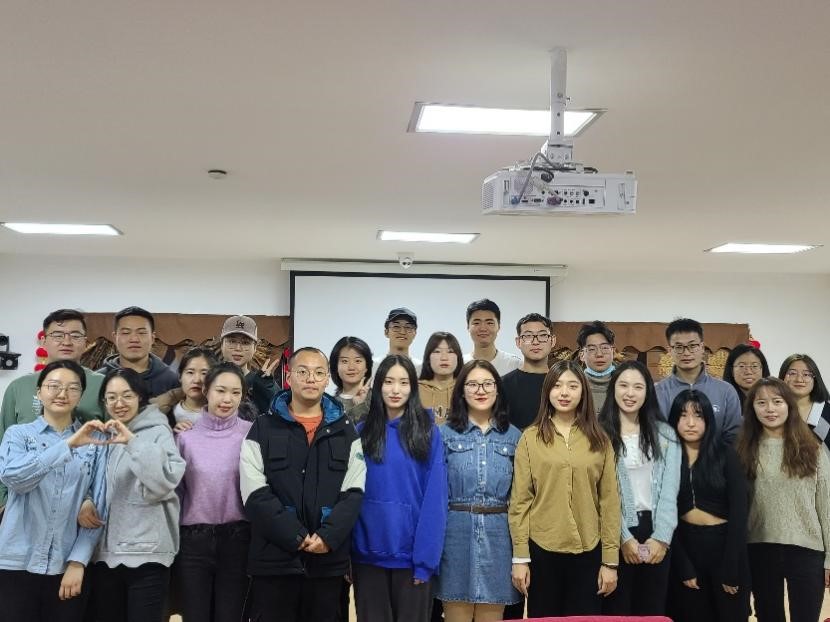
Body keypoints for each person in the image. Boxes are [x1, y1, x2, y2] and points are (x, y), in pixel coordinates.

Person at [241, 347, 366, 622]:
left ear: (327, 379)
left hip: (327, 563)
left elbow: (354, 492)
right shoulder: (263, 427)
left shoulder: (345, 431)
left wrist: (328, 537)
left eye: (319, 373)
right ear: (289, 377)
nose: (311, 378)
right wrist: (294, 535)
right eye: (303, 371)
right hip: (274, 561)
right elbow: (254, 492)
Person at [509, 360, 620, 617]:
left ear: (583, 392)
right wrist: (520, 558)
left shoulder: (600, 439)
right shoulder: (530, 438)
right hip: (542, 549)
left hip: (589, 551)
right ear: (547, 391)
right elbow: (520, 502)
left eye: (572, 386)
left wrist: (610, 562)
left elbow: (610, 501)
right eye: (557, 386)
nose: (564, 392)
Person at [0, 360, 108, 621]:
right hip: (16, 561)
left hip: (67, 563)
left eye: (73, 388)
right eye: (54, 386)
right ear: (39, 392)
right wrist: (67, 445)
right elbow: (14, 478)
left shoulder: (96, 440)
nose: (62, 393)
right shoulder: (18, 434)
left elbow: (100, 505)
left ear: (81, 395)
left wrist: (78, 561)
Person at [352, 355, 448, 622]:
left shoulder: (428, 433)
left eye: (404, 383)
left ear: (413, 388)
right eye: (388, 381)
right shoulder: (361, 432)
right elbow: (349, 497)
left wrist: (425, 562)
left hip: (411, 559)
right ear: (378, 386)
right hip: (367, 557)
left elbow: (435, 500)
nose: (396, 390)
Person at [88, 369, 185, 622]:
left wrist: (131, 441)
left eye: (127, 395)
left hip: (147, 555)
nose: (119, 403)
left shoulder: (158, 431)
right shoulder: (103, 435)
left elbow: (164, 481)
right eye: (111, 397)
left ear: (140, 397)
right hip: (104, 556)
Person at [737, 377, 830, 622]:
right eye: (761, 403)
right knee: (768, 616)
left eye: (777, 401)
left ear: (789, 405)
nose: (770, 409)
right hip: (759, 547)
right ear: (752, 408)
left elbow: (827, 506)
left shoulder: (813, 448)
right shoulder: (743, 450)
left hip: (807, 551)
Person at [437, 360, 521, 622]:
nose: (480, 390)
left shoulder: (514, 437)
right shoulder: (444, 434)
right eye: (472, 384)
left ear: (497, 390)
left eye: (487, 384)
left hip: (499, 536)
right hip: (455, 534)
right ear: (462, 391)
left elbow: (521, 498)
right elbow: (434, 496)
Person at [1, 309, 105, 509]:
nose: (66, 341)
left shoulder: (103, 384)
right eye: (58, 335)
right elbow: (2, 442)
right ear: (43, 341)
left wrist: (92, 500)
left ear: (86, 342)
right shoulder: (19, 387)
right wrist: (3, 499)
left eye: (75, 335)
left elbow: (111, 446)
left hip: (80, 502)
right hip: (24, 500)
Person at [599, 361, 681, 616]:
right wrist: (623, 538)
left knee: (652, 610)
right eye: (623, 385)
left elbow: (670, 490)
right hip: (614, 531)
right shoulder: (599, 435)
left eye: (638, 387)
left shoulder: (665, 434)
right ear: (613, 389)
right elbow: (600, 495)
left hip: (656, 530)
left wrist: (662, 538)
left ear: (648, 392)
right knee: (616, 610)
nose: (630, 393)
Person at [175, 363, 253, 622]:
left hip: (238, 538)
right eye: (220, 390)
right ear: (206, 391)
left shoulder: (252, 434)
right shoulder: (186, 437)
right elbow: (177, 492)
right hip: (193, 541)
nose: (227, 399)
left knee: (231, 615)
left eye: (235, 392)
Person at [666, 390, 749, 622]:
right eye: (683, 415)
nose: (690, 423)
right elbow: (665, 514)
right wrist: (683, 564)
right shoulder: (668, 457)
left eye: (698, 415)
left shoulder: (726, 454)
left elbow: (740, 512)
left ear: (708, 420)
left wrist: (731, 565)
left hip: (725, 546)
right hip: (686, 545)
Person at [499, 312, 554, 621]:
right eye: (528, 336)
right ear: (518, 342)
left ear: (552, 341)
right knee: (514, 587)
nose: (535, 341)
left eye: (542, 335)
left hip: (554, 493)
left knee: (546, 592)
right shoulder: (504, 386)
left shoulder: (562, 384)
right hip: (514, 494)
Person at [654, 318, 742, 444]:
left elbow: (733, 438)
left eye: (692, 346)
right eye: (679, 347)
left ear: (702, 347)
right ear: (670, 350)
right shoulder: (657, 392)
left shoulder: (726, 391)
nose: (686, 353)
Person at [97, 306, 179, 398]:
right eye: (126, 333)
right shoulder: (98, 379)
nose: (134, 339)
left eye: (142, 333)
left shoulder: (172, 380)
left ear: (152, 338)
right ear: (114, 338)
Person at [218, 314, 279, 415]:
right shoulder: (210, 378)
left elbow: (283, 411)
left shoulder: (262, 382)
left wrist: (270, 388)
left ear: (255, 348)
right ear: (221, 344)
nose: (238, 348)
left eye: (245, 343)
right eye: (232, 341)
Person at [779, 353, 830, 453]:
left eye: (806, 374)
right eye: (792, 373)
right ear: (782, 377)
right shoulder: (775, 411)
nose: (799, 379)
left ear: (815, 379)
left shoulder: (827, 412)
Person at [464, 300, 521, 377]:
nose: (483, 328)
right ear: (468, 327)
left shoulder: (514, 364)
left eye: (489, 323)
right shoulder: (459, 365)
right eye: (476, 323)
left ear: (499, 326)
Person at [418, 331, 464, 426]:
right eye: (437, 351)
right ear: (428, 358)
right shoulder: (415, 389)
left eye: (450, 351)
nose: (444, 358)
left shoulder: (466, 389)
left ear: (458, 358)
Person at [168, 347, 219, 431]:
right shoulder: (166, 414)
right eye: (190, 372)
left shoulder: (224, 414)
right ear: (180, 376)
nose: (196, 380)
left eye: (204, 373)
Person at [329, 336, 373, 423]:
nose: (351, 367)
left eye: (358, 361)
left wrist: (361, 405)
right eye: (345, 361)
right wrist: (358, 407)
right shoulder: (330, 406)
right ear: (336, 367)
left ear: (367, 366)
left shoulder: (379, 398)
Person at [577, 321, 617, 415]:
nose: (599, 354)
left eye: (605, 348)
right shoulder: (576, 387)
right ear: (582, 355)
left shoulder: (624, 385)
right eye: (592, 349)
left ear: (613, 352)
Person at [722, 344, 770, 409]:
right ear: (732, 371)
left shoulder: (772, 397)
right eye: (742, 366)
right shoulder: (722, 399)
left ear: (762, 369)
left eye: (754, 366)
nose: (748, 372)